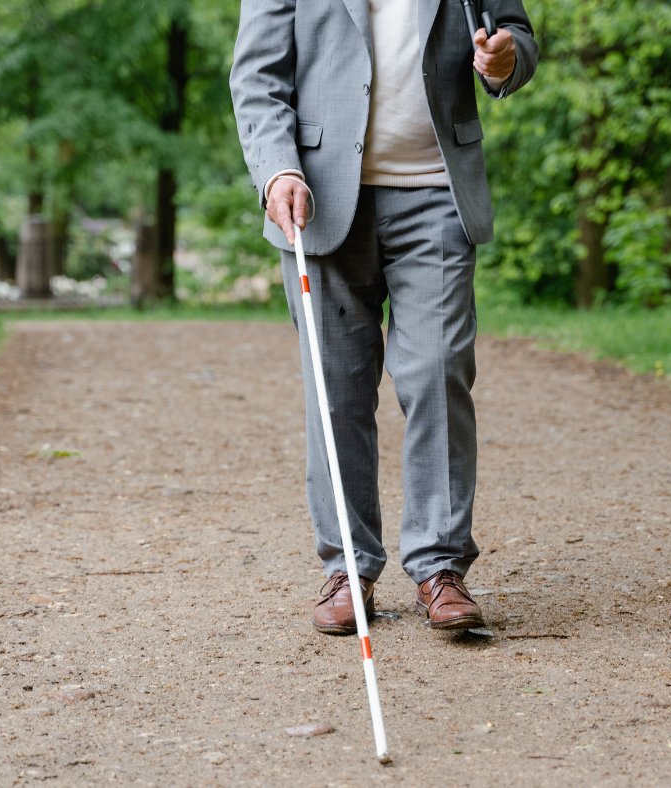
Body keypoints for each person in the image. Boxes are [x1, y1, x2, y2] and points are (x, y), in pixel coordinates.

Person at [230, 0, 538, 634]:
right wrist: (276, 171)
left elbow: (516, 40)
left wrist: (505, 62)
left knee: (438, 371)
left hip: (437, 194)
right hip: (318, 199)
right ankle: (348, 567)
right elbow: (257, 77)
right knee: (336, 391)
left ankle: (439, 566)